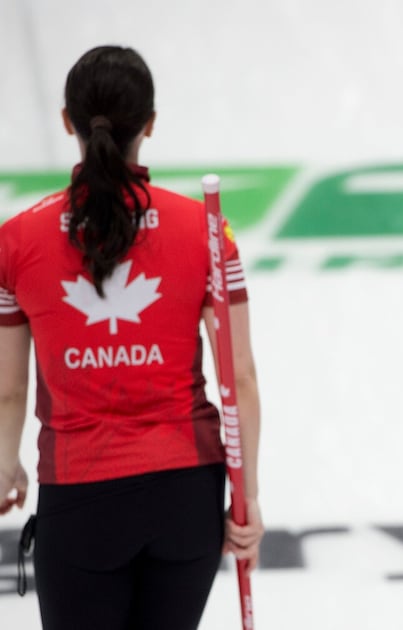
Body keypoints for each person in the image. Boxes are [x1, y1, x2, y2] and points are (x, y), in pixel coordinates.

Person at [0, 45, 263, 629]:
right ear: (150, 124)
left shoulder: (17, 239)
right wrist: (247, 498)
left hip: (81, 494)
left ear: (67, 122)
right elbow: (238, 377)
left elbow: (9, 391)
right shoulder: (205, 231)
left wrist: (4, 465)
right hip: (185, 494)